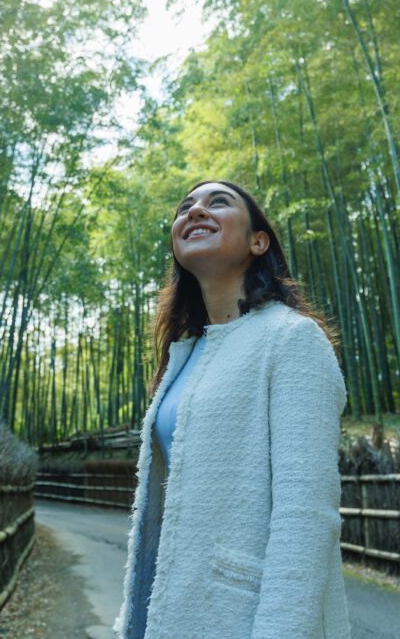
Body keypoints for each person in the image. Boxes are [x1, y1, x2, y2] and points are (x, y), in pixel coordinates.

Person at [112, 179, 351, 638]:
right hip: (171, 614)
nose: (196, 211)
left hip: (242, 618)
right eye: (186, 208)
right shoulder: (185, 353)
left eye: (218, 203)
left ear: (258, 242)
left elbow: (306, 514)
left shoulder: (291, 339)